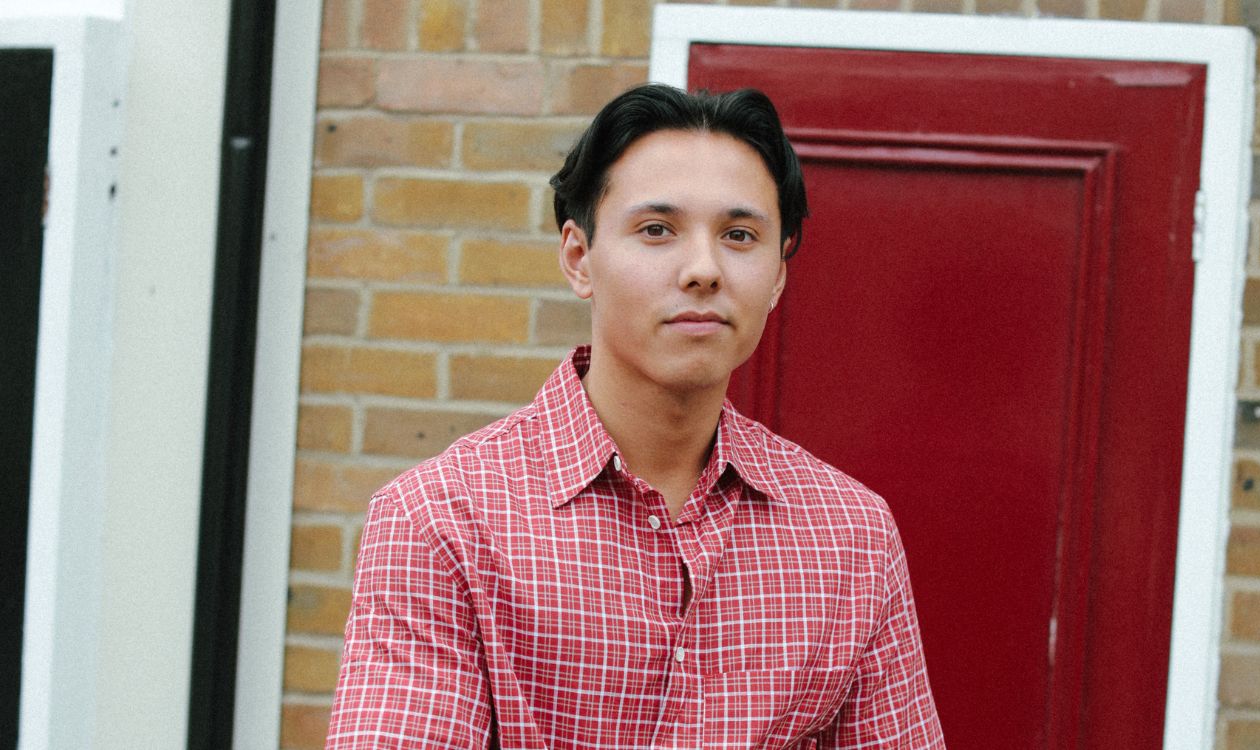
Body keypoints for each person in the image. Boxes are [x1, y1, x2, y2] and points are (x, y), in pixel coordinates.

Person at [325, 83, 945, 749]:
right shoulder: (442, 521)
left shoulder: (851, 536)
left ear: (777, 277)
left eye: (740, 235)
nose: (704, 269)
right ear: (578, 257)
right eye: (657, 230)